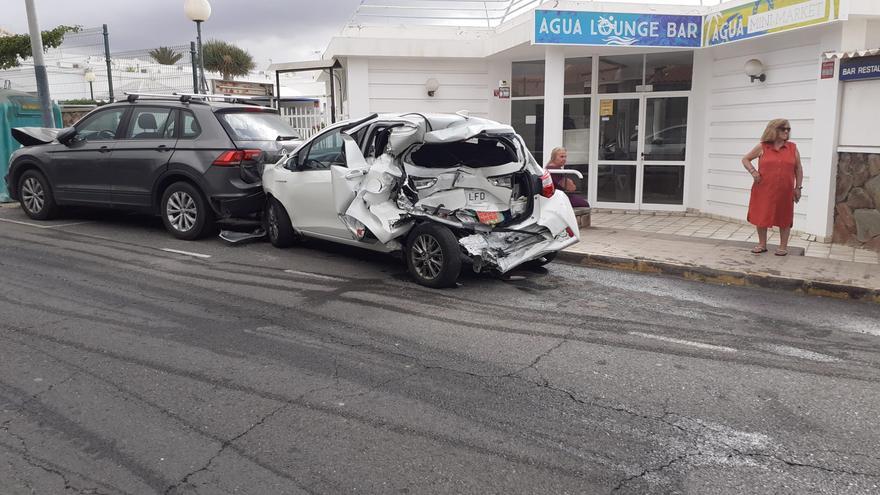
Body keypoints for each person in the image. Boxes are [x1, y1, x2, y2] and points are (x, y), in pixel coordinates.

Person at [742, 119, 803, 256]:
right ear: (774, 130)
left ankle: (783, 247)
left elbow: (798, 168)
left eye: (788, 129)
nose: (786, 131)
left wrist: (798, 187)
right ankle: (762, 244)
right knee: (762, 214)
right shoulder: (762, 147)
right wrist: (753, 172)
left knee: (785, 216)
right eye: (783, 129)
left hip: (785, 190)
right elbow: (745, 159)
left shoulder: (792, 148)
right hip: (764, 188)